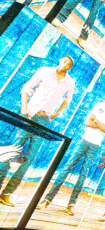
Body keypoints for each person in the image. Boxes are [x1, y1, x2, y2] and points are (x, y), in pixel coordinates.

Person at [0, 56, 75, 207]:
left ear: (69, 67)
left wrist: (56, 113)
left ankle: (6, 194)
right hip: (30, 115)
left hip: (44, 120)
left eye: (68, 63)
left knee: (29, 158)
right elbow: (27, 88)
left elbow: (68, 99)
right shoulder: (45, 71)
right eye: (64, 61)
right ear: (60, 61)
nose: (65, 64)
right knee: (12, 152)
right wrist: (24, 107)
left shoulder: (69, 82)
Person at [40, 91, 105, 216]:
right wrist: (101, 125)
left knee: (83, 175)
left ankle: (71, 204)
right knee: (67, 168)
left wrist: (97, 121)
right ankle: (48, 199)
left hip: (95, 146)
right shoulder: (98, 105)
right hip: (84, 141)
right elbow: (88, 122)